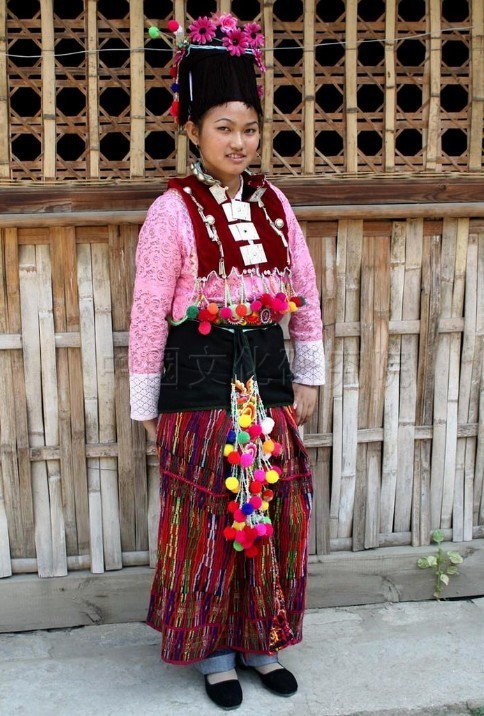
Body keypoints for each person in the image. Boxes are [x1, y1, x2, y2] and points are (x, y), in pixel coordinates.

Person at [129, 12, 325, 710]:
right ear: (192, 131)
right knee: (208, 517)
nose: (239, 142)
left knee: (269, 506)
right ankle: (213, 651)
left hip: (265, 375)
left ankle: (260, 641)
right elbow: (148, 312)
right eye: (224, 127)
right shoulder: (170, 213)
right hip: (198, 381)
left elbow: (304, 292)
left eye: (249, 128)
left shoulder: (275, 205)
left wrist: (307, 374)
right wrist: (144, 404)